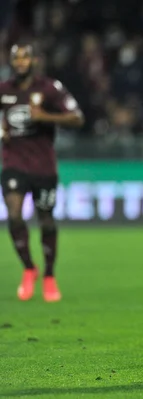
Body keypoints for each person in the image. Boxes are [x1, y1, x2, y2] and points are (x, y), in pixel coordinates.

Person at [0, 42, 84, 302]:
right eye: (17, 58)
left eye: (25, 57)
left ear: (34, 61)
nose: (21, 62)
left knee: (46, 220)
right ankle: (29, 268)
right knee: (14, 215)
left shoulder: (50, 88)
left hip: (44, 166)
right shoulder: (3, 90)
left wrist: (45, 117)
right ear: (11, 62)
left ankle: (49, 275)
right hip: (13, 162)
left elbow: (77, 118)